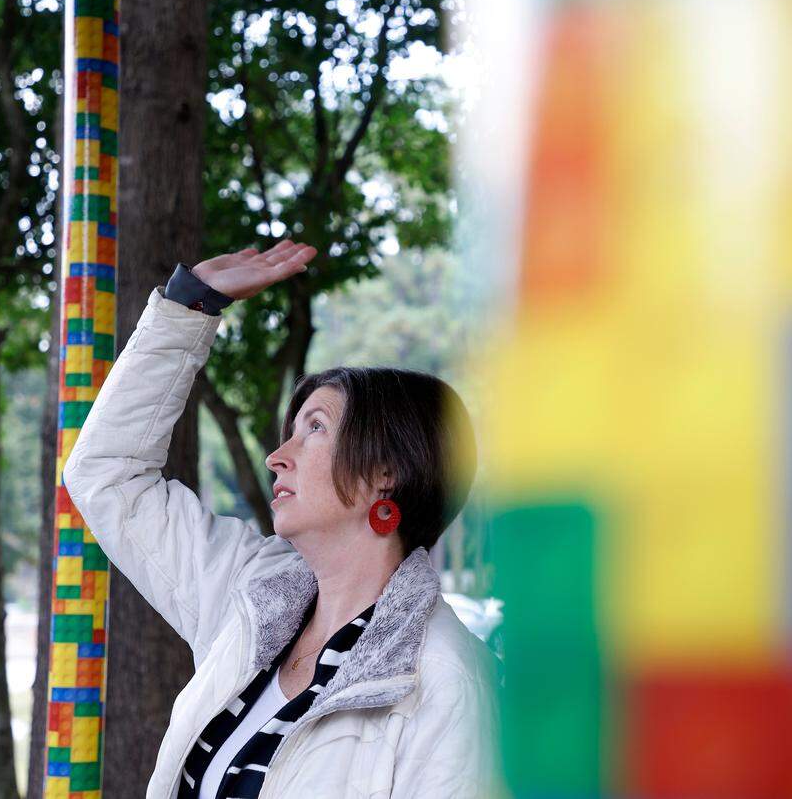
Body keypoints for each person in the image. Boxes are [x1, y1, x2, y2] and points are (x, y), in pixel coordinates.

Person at [62, 239, 507, 799]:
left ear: (387, 472)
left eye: (315, 427)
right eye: (290, 432)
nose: (278, 456)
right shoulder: (251, 594)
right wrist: (187, 307)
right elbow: (108, 475)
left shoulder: (448, 680)